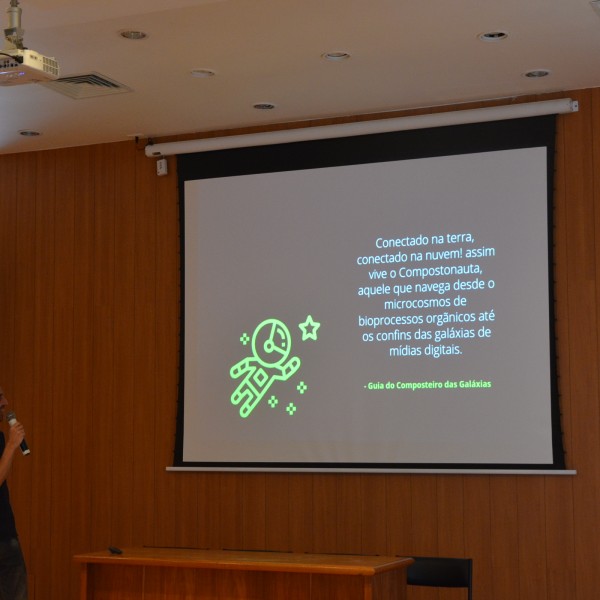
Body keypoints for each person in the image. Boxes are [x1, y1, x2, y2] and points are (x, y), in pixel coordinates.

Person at [0, 386, 28, 600]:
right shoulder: (5, 441)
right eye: (0, 397)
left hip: (6, 534)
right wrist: (11, 445)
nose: (5, 402)